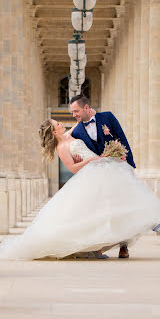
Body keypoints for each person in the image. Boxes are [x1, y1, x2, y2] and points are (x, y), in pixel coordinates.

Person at [0, 114, 160, 265]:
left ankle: (148, 224)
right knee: (107, 207)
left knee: (112, 203)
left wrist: (88, 113)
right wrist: (90, 159)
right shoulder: (62, 148)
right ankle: (150, 223)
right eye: (57, 124)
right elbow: (72, 168)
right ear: (55, 132)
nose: (62, 124)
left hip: (100, 170)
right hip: (92, 172)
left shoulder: (70, 133)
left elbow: (83, 122)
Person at [69, 94, 135, 258]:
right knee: (104, 209)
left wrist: (128, 166)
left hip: (118, 169)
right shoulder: (77, 131)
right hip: (99, 176)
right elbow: (79, 153)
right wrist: (77, 157)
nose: (73, 115)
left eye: (76, 111)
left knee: (123, 207)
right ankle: (100, 243)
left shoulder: (108, 117)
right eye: (72, 112)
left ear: (86, 107)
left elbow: (122, 140)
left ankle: (124, 246)